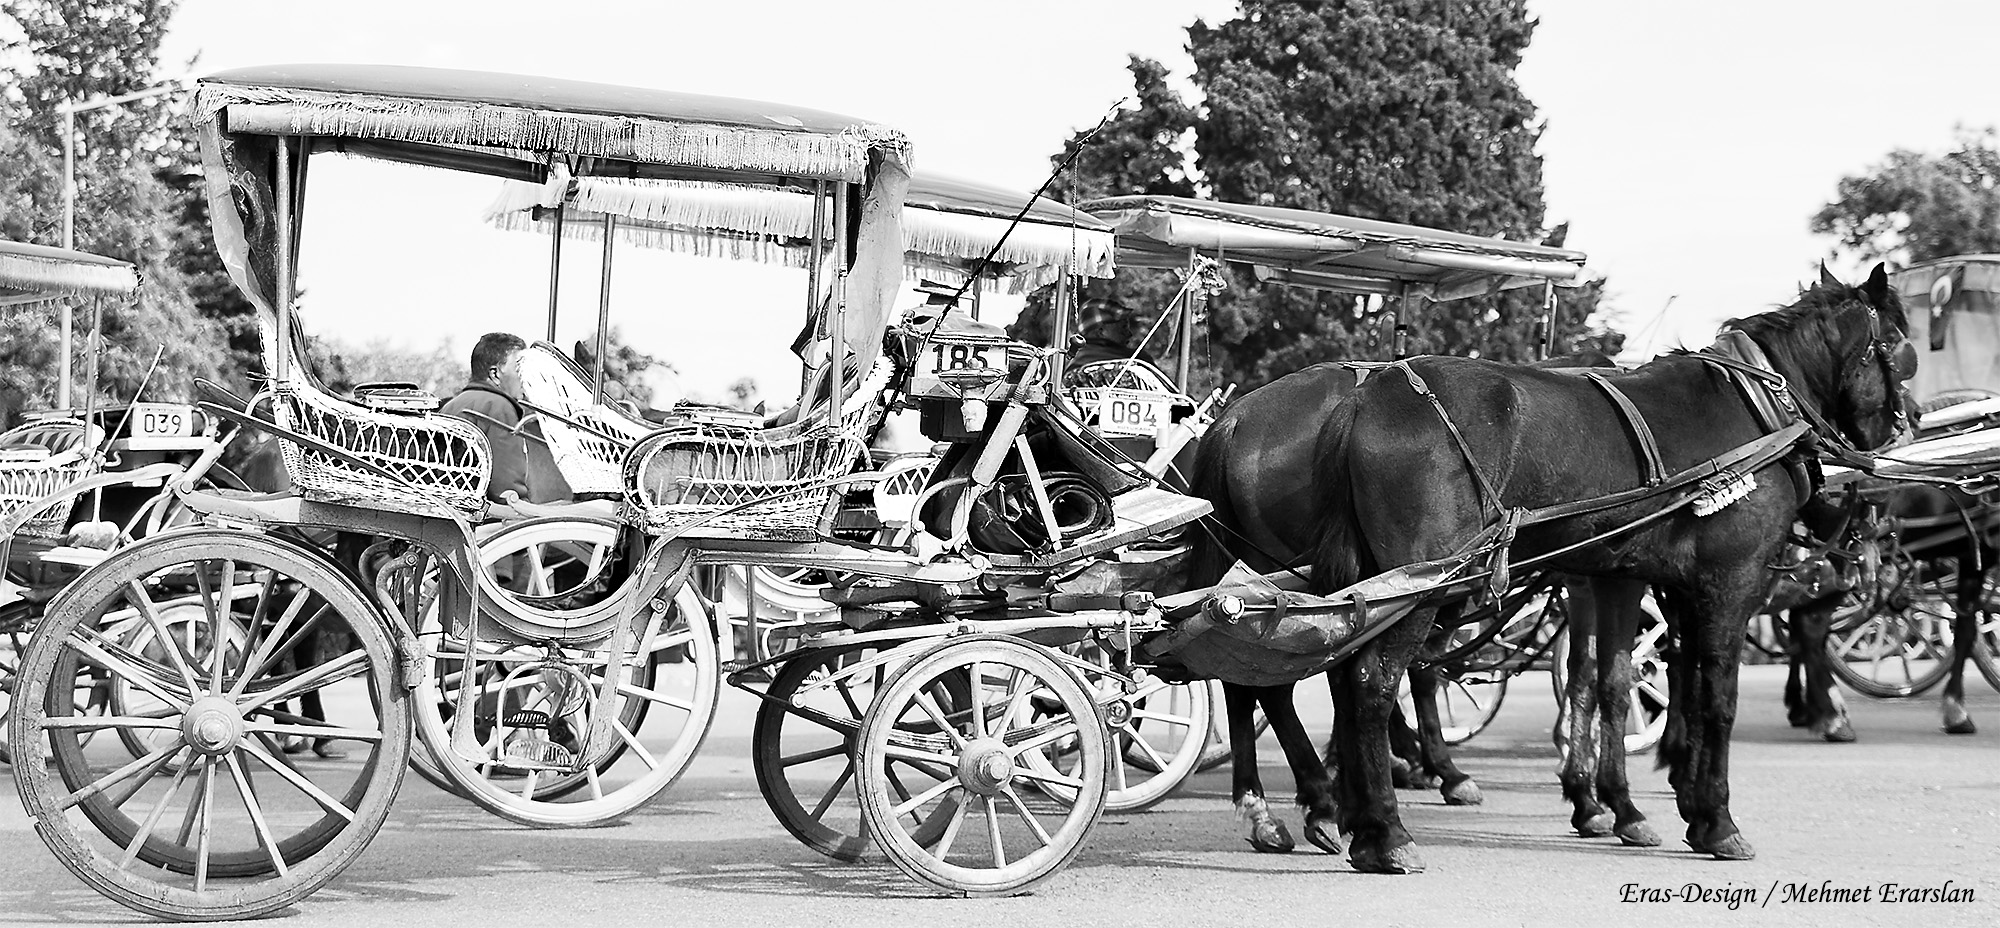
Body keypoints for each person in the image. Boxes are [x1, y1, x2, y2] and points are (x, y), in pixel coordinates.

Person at [441, 332, 532, 504]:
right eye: (520, 369)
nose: (525, 378)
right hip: (485, 521)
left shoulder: (452, 405)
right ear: (495, 374)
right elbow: (507, 492)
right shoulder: (499, 406)